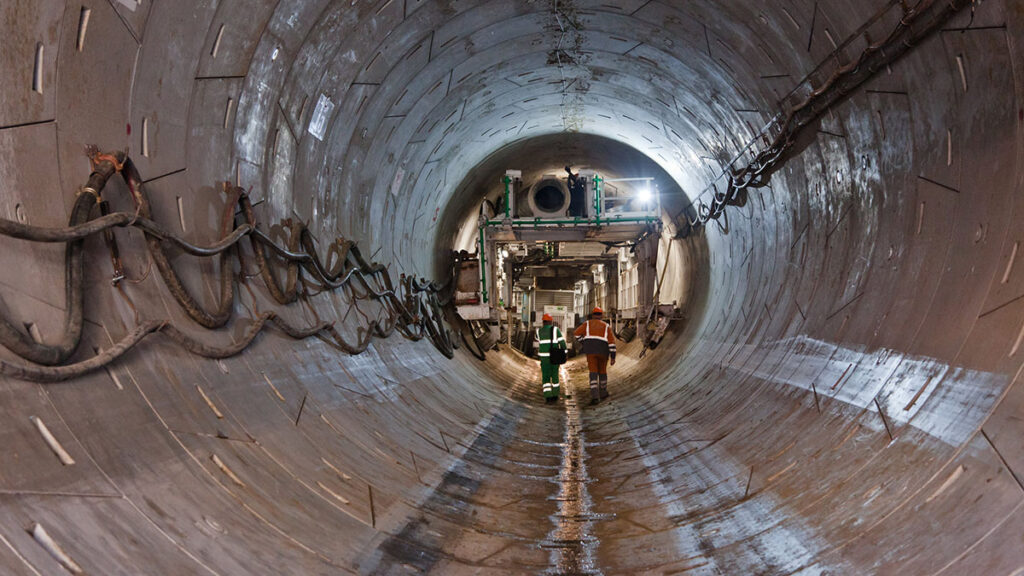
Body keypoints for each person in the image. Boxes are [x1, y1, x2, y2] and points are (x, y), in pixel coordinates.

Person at [574, 307, 616, 405]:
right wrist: (613, 357)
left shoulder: (587, 324)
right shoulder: (606, 326)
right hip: (603, 353)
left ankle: (595, 396)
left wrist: (584, 342)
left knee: (593, 373)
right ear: (601, 316)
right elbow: (612, 343)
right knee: (602, 372)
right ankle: (603, 393)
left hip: (591, 352)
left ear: (592, 315)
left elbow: (576, 334)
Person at [533, 313, 567, 403]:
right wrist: (565, 353)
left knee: (546, 377)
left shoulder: (538, 331)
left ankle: (548, 396)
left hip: (544, 358)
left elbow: (537, 339)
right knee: (555, 376)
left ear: (543, 322)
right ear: (551, 322)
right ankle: (555, 395)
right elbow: (562, 343)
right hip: (554, 357)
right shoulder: (556, 330)